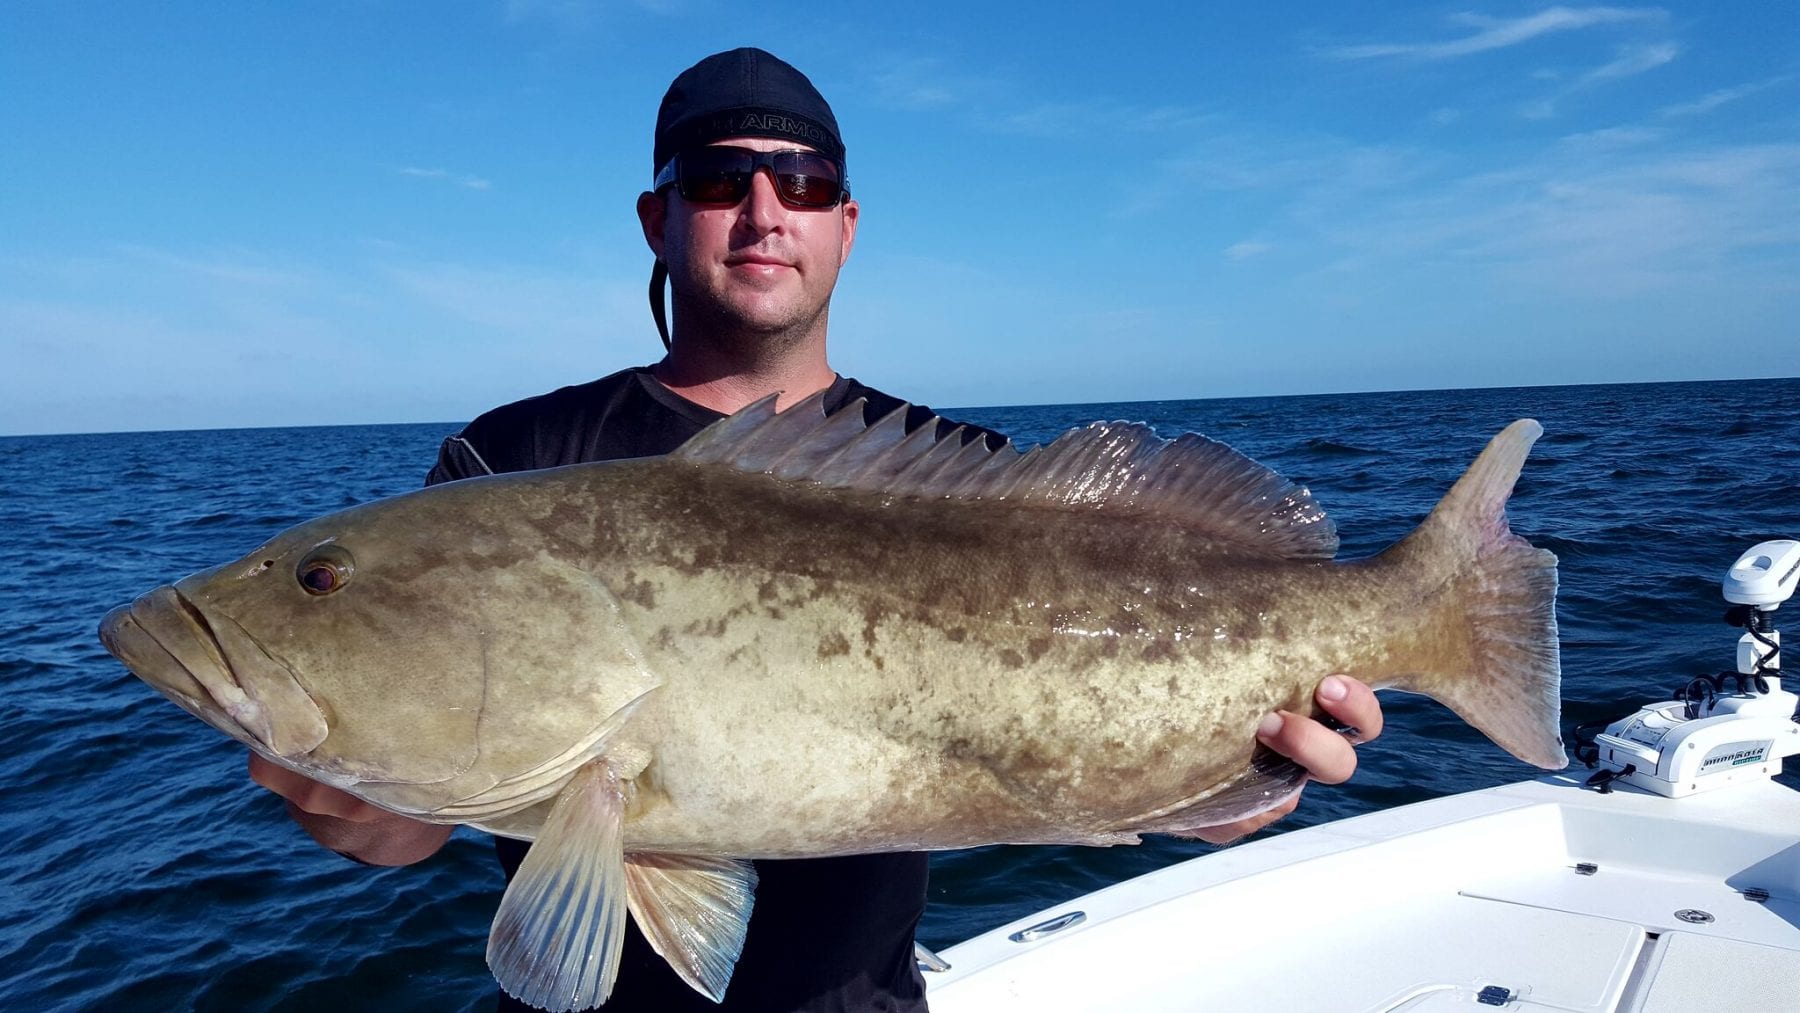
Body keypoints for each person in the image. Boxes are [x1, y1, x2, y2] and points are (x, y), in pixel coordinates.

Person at [249, 47, 1386, 1012]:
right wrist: (357, 798)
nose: (763, 212)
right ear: (657, 219)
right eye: (718, 178)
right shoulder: (512, 458)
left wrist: (1237, 783)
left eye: (801, 183)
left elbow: (1111, 755)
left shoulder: (966, 478)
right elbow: (404, 829)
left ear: (845, 226)